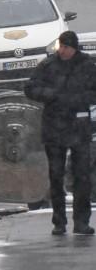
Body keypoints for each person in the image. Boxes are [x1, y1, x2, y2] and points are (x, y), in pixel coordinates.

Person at [24, 30, 96, 235]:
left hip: (79, 126)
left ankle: (82, 222)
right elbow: (30, 88)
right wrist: (52, 96)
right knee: (56, 175)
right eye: (60, 46)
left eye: (66, 47)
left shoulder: (87, 66)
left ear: (74, 48)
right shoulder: (48, 66)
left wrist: (78, 99)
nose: (62, 50)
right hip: (54, 127)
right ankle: (59, 222)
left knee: (82, 176)